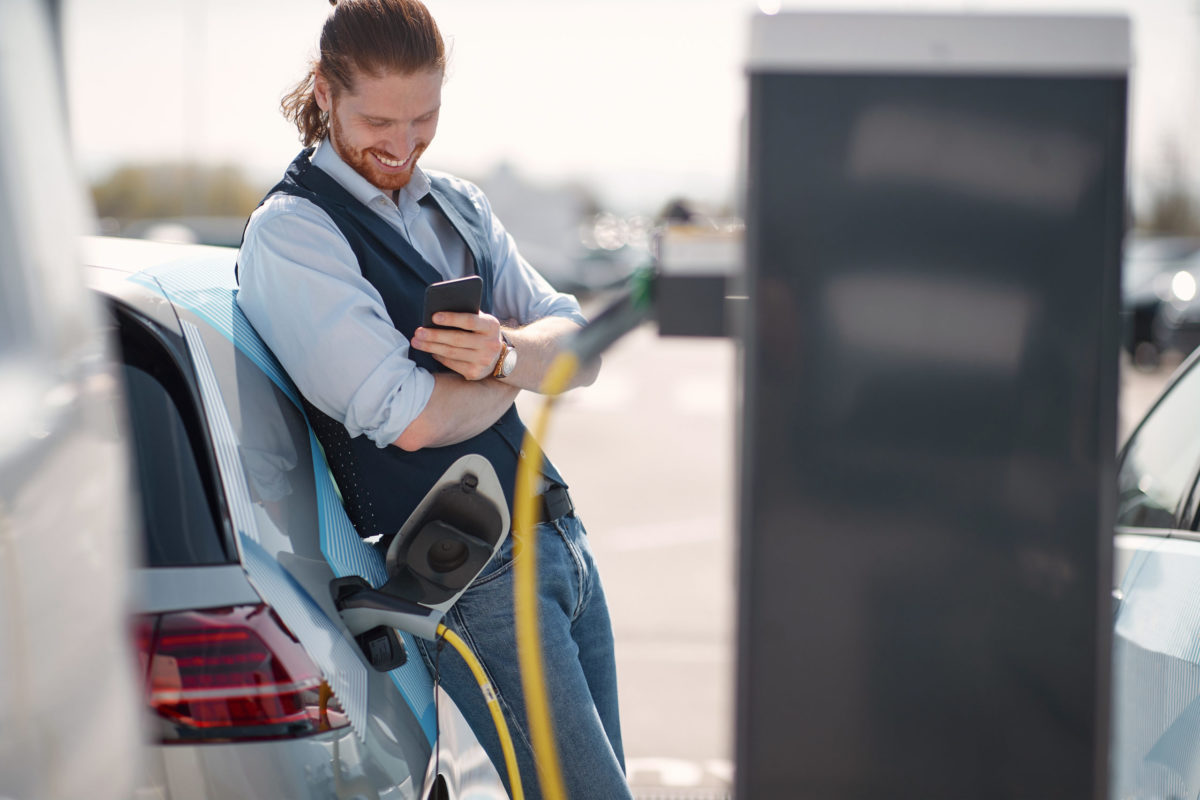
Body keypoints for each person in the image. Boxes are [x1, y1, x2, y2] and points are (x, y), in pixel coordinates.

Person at [235, 1, 631, 798]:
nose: (403, 145)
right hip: (475, 579)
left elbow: (579, 350)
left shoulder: (457, 202)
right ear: (324, 90)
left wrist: (510, 351)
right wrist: (514, 366)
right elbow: (412, 420)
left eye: (425, 119)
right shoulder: (294, 233)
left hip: (561, 543)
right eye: (379, 120)